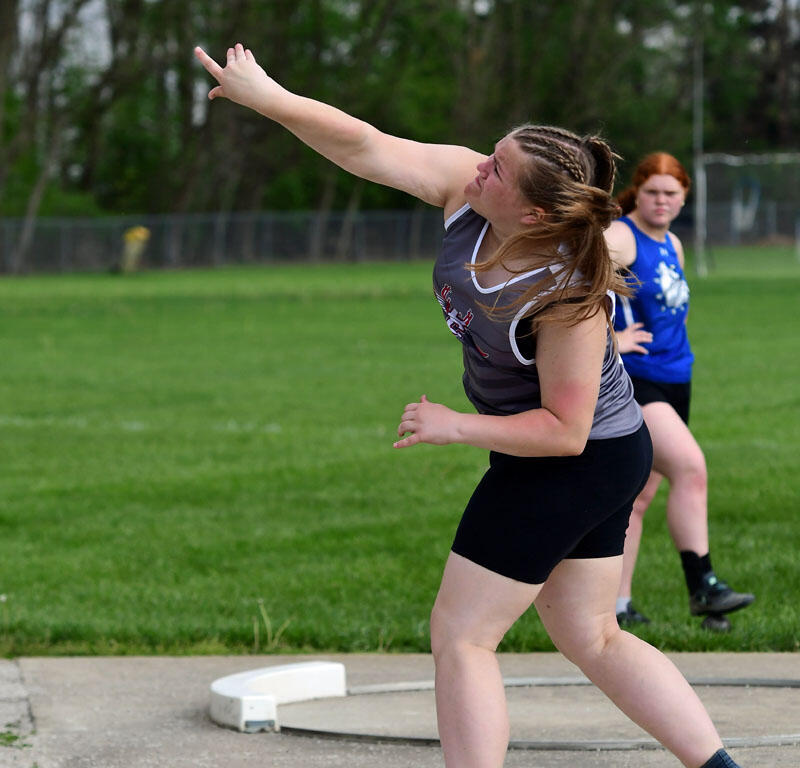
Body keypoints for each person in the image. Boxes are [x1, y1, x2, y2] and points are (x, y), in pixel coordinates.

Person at [195, 44, 743, 768]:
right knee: (591, 636)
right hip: (583, 456)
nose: (480, 164)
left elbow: (566, 430)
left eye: (499, 169)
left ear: (535, 209)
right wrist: (264, 94)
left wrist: (456, 426)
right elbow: (365, 145)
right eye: (492, 153)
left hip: (580, 460)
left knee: (462, 634)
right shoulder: (470, 193)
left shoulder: (565, 296)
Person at [605, 153, 754, 631]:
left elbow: (675, 306)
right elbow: (570, 276)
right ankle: (704, 588)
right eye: (653, 192)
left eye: (671, 193)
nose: (662, 200)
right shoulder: (622, 236)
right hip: (636, 379)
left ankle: (616, 608)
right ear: (638, 192)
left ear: (684, 197)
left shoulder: (672, 242)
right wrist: (611, 338)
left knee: (639, 497)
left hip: (675, 378)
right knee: (690, 467)